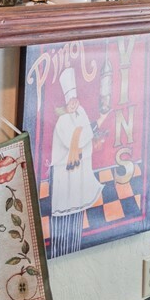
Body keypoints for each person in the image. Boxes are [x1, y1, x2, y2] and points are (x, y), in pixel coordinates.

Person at [47, 67, 103, 256]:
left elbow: (85, 132)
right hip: (65, 173)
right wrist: (92, 127)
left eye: (75, 100)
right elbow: (76, 138)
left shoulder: (82, 113)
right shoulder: (62, 120)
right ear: (66, 102)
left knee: (77, 212)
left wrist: (91, 127)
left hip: (79, 172)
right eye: (71, 101)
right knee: (63, 214)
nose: (74, 104)